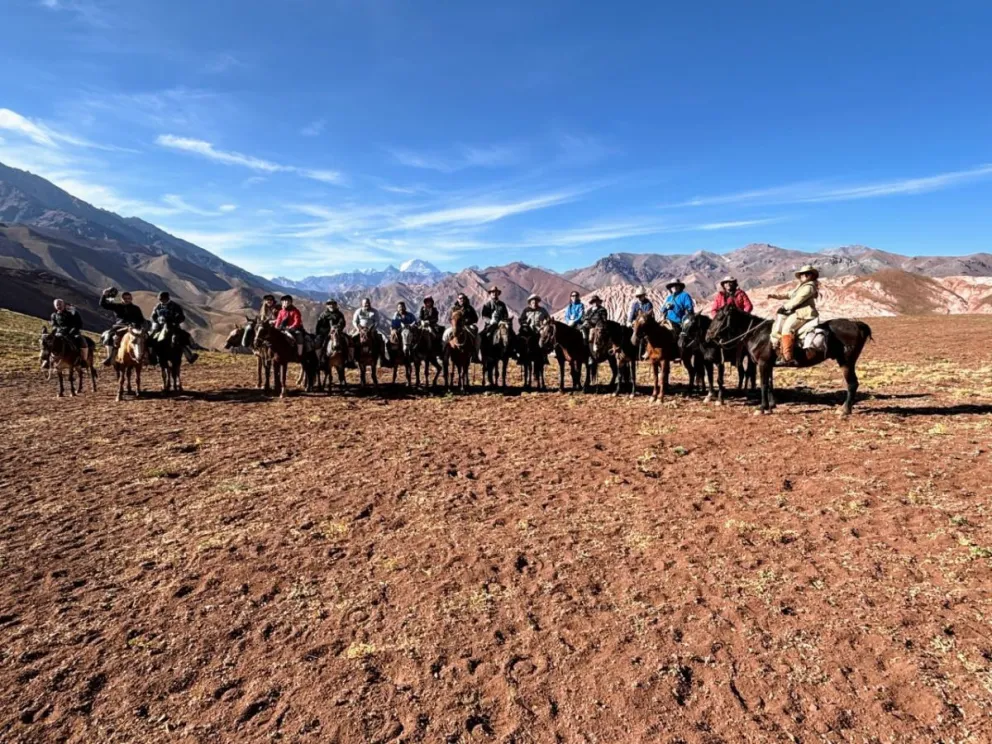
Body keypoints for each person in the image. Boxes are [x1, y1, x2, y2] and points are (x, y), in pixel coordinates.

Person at [769, 265, 820, 366]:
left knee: (787, 329)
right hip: (796, 312)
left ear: (812, 275)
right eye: (802, 274)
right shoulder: (800, 286)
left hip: (804, 313)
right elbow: (789, 294)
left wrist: (785, 307)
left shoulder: (809, 287)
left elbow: (798, 299)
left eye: (807, 273)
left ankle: (788, 357)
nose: (803, 276)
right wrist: (775, 296)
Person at [99, 287, 146, 366]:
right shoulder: (117, 306)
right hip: (120, 326)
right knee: (109, 336)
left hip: (134, 327)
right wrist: (104, 295)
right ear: (122, 299)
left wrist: (141, 326)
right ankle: (110, 357)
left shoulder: (136, 308)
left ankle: (148, 357)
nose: (127, 300)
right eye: (125, 298)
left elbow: (141, 319)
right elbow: (103, 304)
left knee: (145, 337)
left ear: (131, 299)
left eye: (129, 298)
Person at [150, 291, 198, 364]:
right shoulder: (157, 307)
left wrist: (174, 321)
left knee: (182, 338)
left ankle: (190, 356)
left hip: (172, 326)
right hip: (160, 326)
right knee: (151, 338)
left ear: (168, 298)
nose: (162, 301)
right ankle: (151, 358)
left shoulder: (175, 306)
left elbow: (181, 317)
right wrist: (158, 320)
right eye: (161, 299)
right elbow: (153, 316)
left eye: (163, 299)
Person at [42, 298, 84, 369]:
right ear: (55, 306)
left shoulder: (72, 313)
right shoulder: (54, 315)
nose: (59, 306)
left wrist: (72, 331)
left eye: (60, 304)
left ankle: (82, 360)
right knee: (49, 343)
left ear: (64, 304)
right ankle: (48, 360)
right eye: (57, 305)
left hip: (72, 333)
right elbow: (54, 325)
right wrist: (57, 330)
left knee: (81, 341)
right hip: (59, 333)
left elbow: (78, 323)